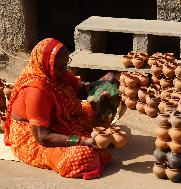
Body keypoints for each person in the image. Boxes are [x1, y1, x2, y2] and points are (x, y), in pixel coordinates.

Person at [4, 38, 113, 179]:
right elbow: (43, 137)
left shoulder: (57, 72)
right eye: (61, 67)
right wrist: (83, 141)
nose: (65, 70)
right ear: (46, 64)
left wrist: (101, 84)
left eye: (65, 65)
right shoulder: (36, 90)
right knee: (83, 156)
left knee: (98, 109)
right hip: (34, 136)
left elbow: (81, 91)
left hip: (59, 122)